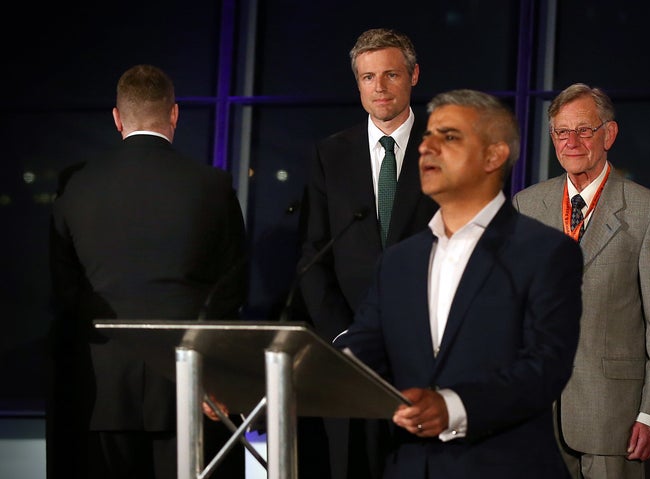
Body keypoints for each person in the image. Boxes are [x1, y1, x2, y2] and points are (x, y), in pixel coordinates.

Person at [334, 89, 583, 478]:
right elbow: (361, 351)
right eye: (428, 135)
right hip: (410, 466)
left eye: (448, 137)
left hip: (503, 467)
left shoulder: (545, 252)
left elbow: (545, 368)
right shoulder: (399, 262)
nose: (426, 147)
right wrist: (263, 379)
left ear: (493, 155)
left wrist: (452, 407)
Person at [46, 64, 248, 479]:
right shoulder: (213, 185)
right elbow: (233, 289)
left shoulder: (75, 187)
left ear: (117, 118)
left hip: (99, 395)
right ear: (174, 114)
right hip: (192, 392)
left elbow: (63, 293)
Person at [512, 82, 650, 478]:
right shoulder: (526, 205)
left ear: (609, 134)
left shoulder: (649, 213)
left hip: (611, 416)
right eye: (561, 132)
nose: (572, 141)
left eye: (584, 130)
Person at [297, 28, 438, 479]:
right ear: (357, 84)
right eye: (368, 77)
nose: (379, 87)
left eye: (391, 74)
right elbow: (313, 255)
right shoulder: (329, 155)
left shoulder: (448, 147)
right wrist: (342, 338)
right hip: (349, 359)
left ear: (413, 76)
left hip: (428, 355)